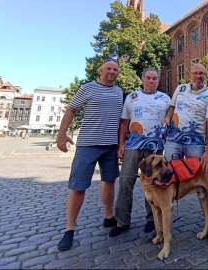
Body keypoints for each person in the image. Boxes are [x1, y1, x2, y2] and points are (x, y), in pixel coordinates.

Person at [56, 59, 124, 251]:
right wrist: (62, 134)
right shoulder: (88, 88)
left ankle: (109, 217)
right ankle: (69, 229)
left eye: (115, 69)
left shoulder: (119, 92)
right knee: (78, 186)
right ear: (101, 70)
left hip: (110, 145)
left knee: (109, 181)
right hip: (88, 144)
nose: (112, 71)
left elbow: (121, 120)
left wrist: (121, 143)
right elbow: (71, 110)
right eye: (109, 68)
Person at [108, 67, 171, 238]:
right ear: (143, 79)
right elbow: (124, 123)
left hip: (155, 148)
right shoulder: (132, 97)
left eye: (155, 79)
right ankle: (122, 221)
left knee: (153, 183)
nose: (152, 81)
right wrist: (121, 144)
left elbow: (171, 117)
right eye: (149, 78)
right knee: (126, 181)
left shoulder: (165, 98)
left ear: (158, 81)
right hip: (133, 146)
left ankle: (152, 219)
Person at [162, 63, 208, 241]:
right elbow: (172, 108)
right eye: (195, 73)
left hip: (195, 144)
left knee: (203, 183)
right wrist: (167, 117)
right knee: (168, 176)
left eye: (201, 73)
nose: (198, 76)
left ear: (205, 76)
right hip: (173, 140)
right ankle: (165, 223)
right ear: (190, 74)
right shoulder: (180, 89)